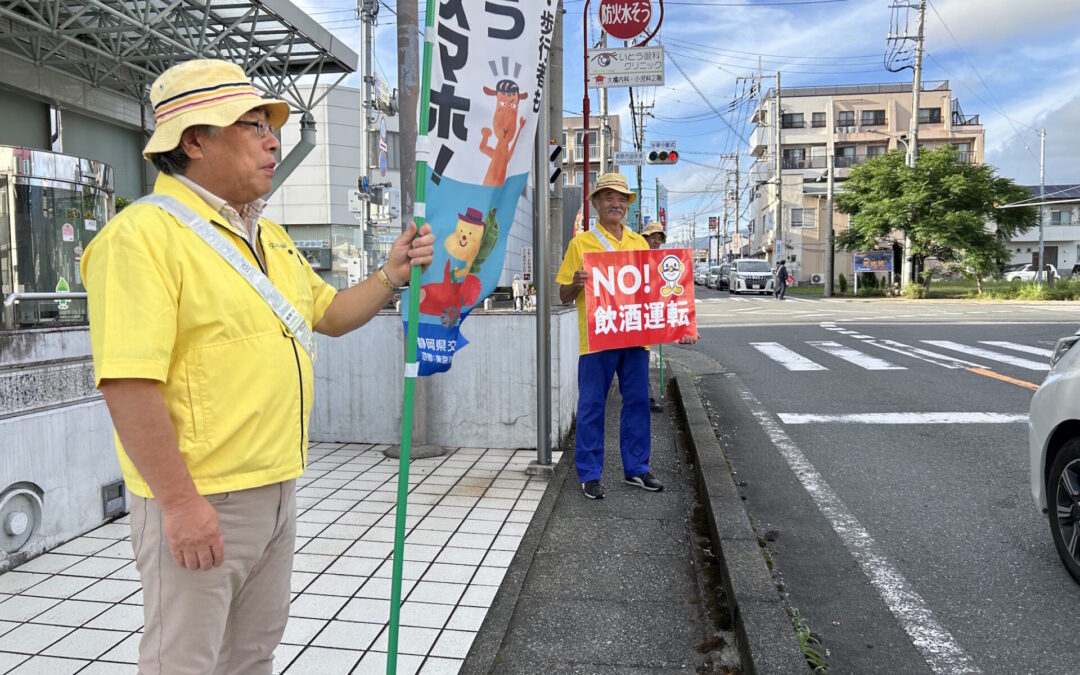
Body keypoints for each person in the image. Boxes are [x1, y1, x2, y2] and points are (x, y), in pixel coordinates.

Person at [80, 59, 434, 674]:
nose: (273, 140)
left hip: (276, 485)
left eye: (272, 126)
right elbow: (128, 384)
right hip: (201, 496)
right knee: (182, 664)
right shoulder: (141, 236)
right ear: (195, 140)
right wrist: (181, 506)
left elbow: (329, 314)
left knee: (250, 656)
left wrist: (390, 275)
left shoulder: (267, 236)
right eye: (253, 124)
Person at [556, 174, 697, 500]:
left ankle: (637, 468)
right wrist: (576, 283)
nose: (616, 204)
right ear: (596, 203)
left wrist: (683, 327)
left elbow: (658, 293)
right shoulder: (580, 244)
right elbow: (563, 295)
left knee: (637, 402)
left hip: (635, 337)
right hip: (597, 338)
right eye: (608, 197)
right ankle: (590, 473)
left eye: (621, 199)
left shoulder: (639, 243)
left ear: (628, 205)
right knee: (592, 404)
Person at [641, 222, 667, 413]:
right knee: (637, 360)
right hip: (633, 316)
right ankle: (642, 397)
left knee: (643, 358)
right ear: (645, 238)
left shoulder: (662, 260)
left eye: (659, 238)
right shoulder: (635, 256)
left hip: (650, 315)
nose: (656, 241)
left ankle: (645, 396)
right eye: (653, 237)